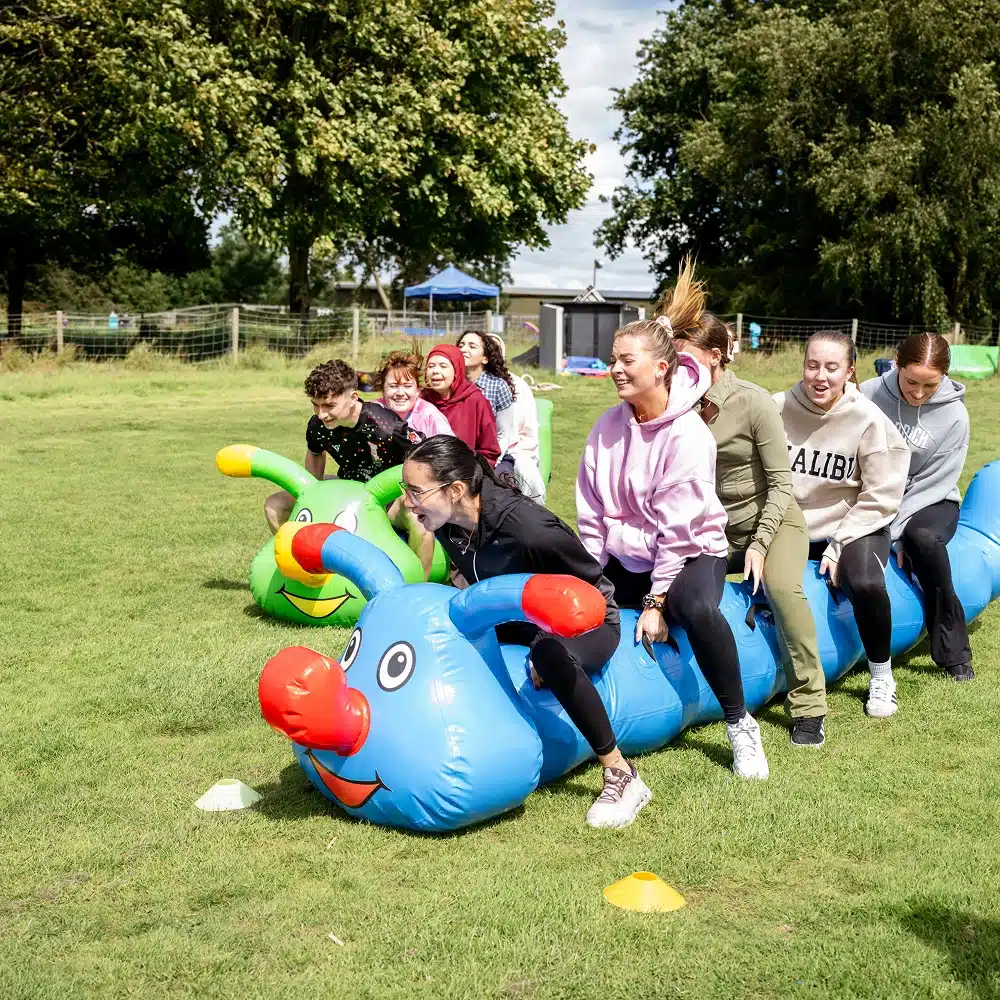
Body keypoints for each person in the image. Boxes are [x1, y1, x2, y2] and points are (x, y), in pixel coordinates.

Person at [576, 261, 769, 780]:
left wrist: (658, 602)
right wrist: (591, 579)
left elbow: (679, 532)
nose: (615, 369)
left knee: (697, 609)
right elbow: (590, 512)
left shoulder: (687, 436)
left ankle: (739, 724)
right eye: (613, 359)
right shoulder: (605, 427)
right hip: (626, 552)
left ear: (661, 368)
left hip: (690, 552)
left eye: (626, 361)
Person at [400, 435, 652, 829]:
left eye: (416, 491)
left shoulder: (530, 529)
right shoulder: (450, 525)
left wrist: (540, 643)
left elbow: (587, 591)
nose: (407, 502)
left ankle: (621, 773)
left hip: (587, 618)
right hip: (516, 621)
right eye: (406, 489)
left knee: (551, 655)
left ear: (455, 489)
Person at [672, 312, 829, 747]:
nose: (675, 369)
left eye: (685, 359)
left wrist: (760, 545)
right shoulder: (674, 405)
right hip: (713, 535)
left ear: (715, 357)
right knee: (687, 600)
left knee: (781, 588)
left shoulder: (754, 401)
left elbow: (782, 485)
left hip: (773, 521)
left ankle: (809, 705)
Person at [774, 331, 910, 717]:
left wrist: (839, 543)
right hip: (791, 524)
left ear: (849, 372)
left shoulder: (868, 419)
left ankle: (881, 676)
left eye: (832, 368)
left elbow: (880, 496)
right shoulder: (777, 407)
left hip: (854, 522)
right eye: (812, 365)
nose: (820, 376)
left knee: (865, 581)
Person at [861, 332, 973, 681]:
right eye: (911, 382)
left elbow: (934, 482)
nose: (919, 393)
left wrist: (892, 533)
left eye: (931, 385)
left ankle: (953, 651)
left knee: (922, 540)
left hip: (931, 499)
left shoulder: (956, 417)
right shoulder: (867, 394)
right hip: (873, 496)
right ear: (897, 364)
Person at [263, 359, 421, 533]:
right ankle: (294, 557)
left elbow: (427, 455)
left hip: (386, 495)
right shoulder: (318, 426)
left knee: (416, 520)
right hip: (347, 487)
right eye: (316, 405)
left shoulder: (385, 427)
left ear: (353, 398)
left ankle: (422, 560)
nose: (322, 414)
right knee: (274, 505)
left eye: (329, 406)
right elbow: (315, 453)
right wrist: (310, 492)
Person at [487, 333, 546, 502]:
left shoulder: (519, 385)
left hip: (516, 451)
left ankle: (536, 515)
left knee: (526, 472)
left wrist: (511, 455)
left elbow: (529, 433)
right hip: (482, 453)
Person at [421, 344, 501, 466]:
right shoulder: (421, 400)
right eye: (431, 366)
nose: (435, 371)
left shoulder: (476, 400)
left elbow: (490, 451)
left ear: (457, 370)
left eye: (443, 366)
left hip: (467, 470)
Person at [373, 348, 454, 439]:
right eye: (393, 386)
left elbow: (451, 449)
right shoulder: (371, 413)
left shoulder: (429, 415)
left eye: (407, 386)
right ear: (383, 390)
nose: (400, 393)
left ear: (417, 391)